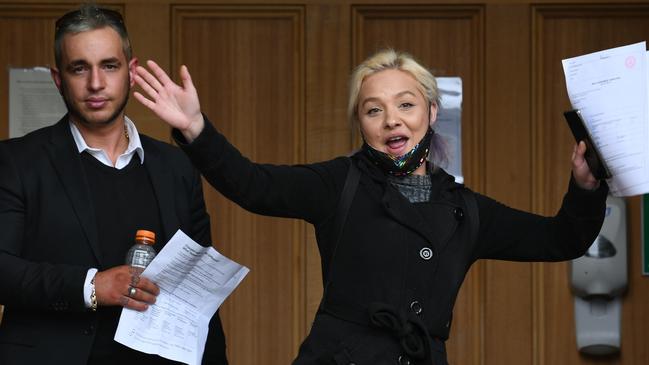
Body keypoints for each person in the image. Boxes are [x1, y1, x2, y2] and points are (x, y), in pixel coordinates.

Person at [133, 50, 608, 365]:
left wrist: (586, 187)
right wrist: (195, 127)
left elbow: (561, 238)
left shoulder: (467, 210)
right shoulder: (339, 183)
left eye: (406, 104)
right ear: (360, 123)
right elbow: (253, 185)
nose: (392, 120)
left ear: (431, 113)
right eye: (373, 109)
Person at [0, 5, 227, 365]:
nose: (95, 83)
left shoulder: (177, 166)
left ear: (131, 72)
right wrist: (91, 287)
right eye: (79, 68)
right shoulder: (15, 162)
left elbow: (196, 293)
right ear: (59, 80)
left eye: (109, 66)